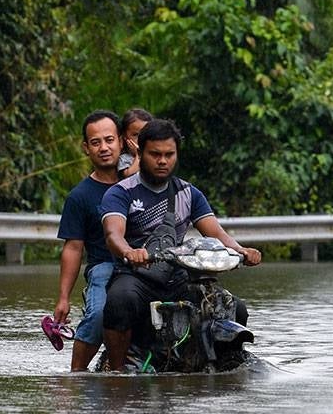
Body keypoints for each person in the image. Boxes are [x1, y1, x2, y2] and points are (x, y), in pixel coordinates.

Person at [100, 118, 262, 371]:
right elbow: (113, 233)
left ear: (176, 155)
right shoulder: (122, 192)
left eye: (169, 154)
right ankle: (117, 371)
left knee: (235, 307)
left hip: (177, 278)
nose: (162, 161)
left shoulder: (189, 193)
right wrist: (129, 252)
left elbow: (215, 231)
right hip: (136, 277)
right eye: (155, 154)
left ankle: (222, 365)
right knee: (119, 301)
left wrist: (241, 251)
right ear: (140, 154)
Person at [51, 109, 123, 371]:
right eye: (96, 142)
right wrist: (63, 298)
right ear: (86, 148)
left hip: (144, 264)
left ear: (122, 141)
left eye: (109, 140)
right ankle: (76, 374)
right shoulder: (79, 196)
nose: (104, 148)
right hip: (104, 266)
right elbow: (73, 247)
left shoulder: (140, 183)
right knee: (98, 315)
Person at [117, 107, 153, 179]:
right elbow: (129, 175)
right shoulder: (124, 158)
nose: (141, 139)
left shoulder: (152, 156)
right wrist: (138, 154)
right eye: (135, 135)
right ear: (125, 136)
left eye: (145, 134)